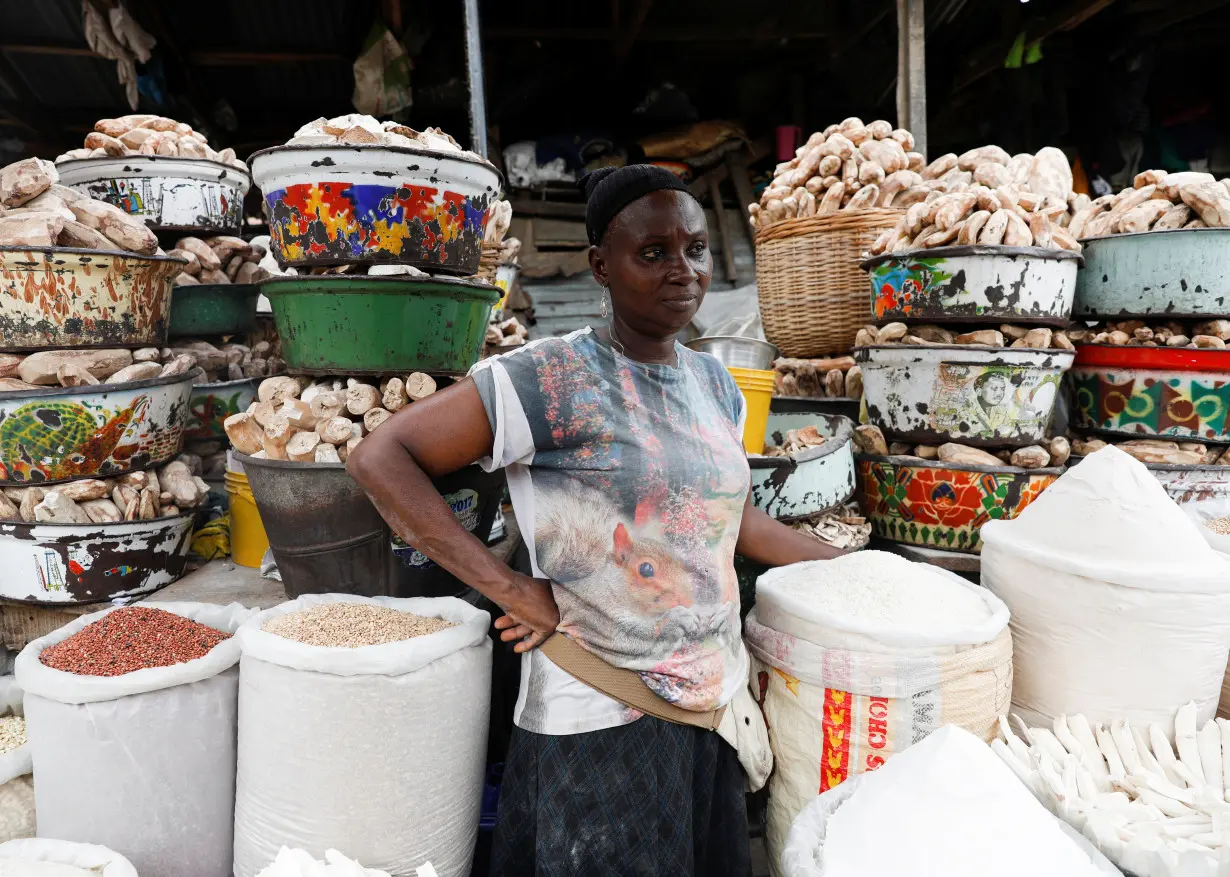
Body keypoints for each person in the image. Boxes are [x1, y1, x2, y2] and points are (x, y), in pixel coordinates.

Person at [348, 164, 846, 877]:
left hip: (711, 709)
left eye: (696, 249)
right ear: (600, 266)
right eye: (653, 253)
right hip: (603, 717)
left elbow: (725, 523)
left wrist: (852, 569)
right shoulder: (550, 378)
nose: (683, 269)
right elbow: (381, 458)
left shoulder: (714, 384)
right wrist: (513, 589)